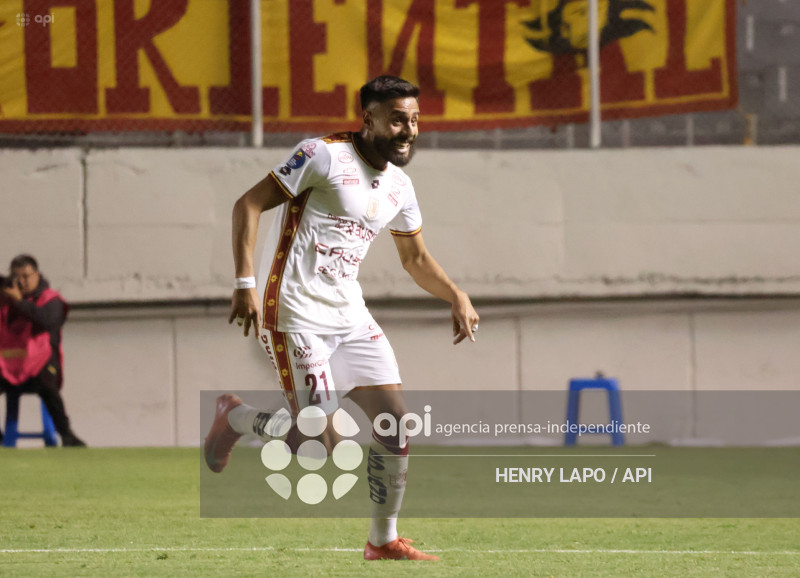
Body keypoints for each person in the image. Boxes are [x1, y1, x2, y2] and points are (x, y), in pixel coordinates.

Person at [204, 75, 479, 561]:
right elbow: (248, 204)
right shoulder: (321, 155)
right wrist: (244, 282)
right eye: (397, 120)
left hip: (350, 317)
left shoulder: (400, 186)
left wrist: (455, 295)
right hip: (294, 313)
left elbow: (415, 259)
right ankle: (236, 417)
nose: (409, 131)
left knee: (396, 425)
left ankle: (383, 541)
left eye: (415, 120)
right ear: (368, 118)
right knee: (319, 442)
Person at [0, 255, 86, 447]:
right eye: (16, 276)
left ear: (37, 275)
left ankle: (66, 433)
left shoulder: (51, 299)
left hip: (41, 364)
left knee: (48, 387)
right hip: (9, 364)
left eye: (25, 276)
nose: (21, 282)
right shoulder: (5, 299)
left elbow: (47, 322)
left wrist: (19, 301)